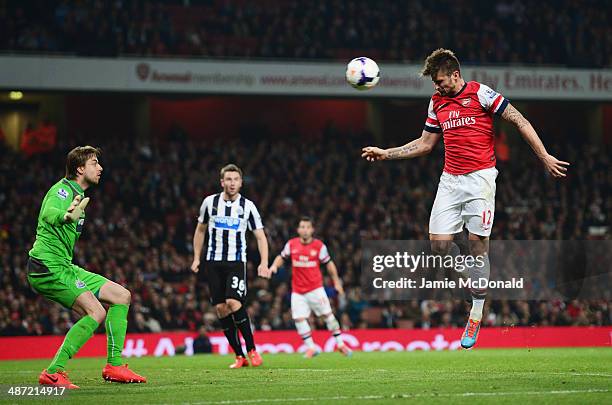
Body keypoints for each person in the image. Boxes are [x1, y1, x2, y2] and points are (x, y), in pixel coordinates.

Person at [361, 49, 569, 349]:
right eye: (435, 82)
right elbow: (425, 143)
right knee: (438, 244)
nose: (438, 87)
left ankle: (475, 313)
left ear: (456, 75)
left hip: (481, 180)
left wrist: (544, 156)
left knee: (477, 246)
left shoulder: (482, 94)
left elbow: (519, 120)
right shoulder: (437, 102)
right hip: (450, 180)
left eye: (441, 81)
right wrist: (387, 153)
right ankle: (472, 277)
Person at [28, 146, 146, 388]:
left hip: (64, 266)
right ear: (80, 168)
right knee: (97, 312)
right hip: (47, 266)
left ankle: (114, 366)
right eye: (94, 163)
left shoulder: (78, 195)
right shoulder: (63, 190)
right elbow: (49, 212)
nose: (100, 167)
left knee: (121, 296)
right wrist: (66, 216)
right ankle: (53, 371)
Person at [191, 164, 269, 368]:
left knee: (234, 302)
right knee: (221, 309)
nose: (232, 183)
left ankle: (252, 350)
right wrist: (196, 258)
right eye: (229, 179)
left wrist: (264, 262)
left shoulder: (248, 206)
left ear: (241, 183)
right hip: (213, 262)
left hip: (236, 261)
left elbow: (260, 236)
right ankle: (239, 356)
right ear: (222, 182)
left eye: (236, 179)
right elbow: (200, 230)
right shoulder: (210, 202)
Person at [267, 217, 351, 358]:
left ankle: (341, 344)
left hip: (315, 289)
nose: (305, 230)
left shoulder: (319, 246)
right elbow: (281, 256)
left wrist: (336, 281)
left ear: (312, 230)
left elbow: (329, 264)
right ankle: (311, 347)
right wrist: (274, 266)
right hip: (298, 291)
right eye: (302, 227)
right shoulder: (291, 244)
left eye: (307, 227)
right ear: (298, 230)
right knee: (299, 319)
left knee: (328, 316)